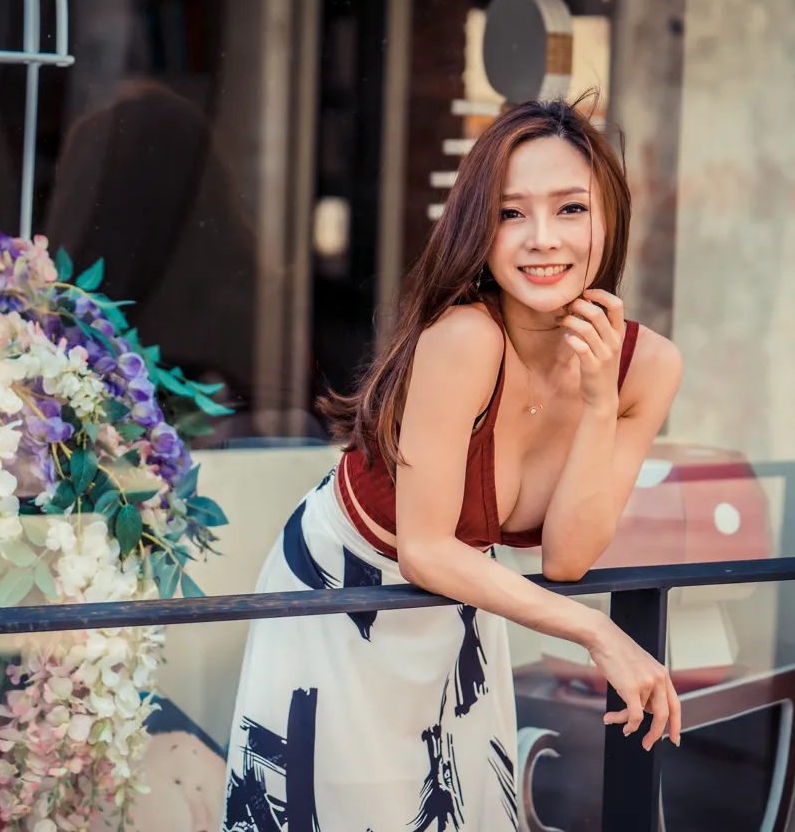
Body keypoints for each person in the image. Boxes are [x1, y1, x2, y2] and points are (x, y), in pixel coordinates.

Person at [220, 96, 684, 832]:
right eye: (510, 214)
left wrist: (599, 402)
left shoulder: (646, 366)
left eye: (570, 209)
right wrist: (599, 633)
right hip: (344, 590)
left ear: (610, 219)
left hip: (462, 601)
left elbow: (566, 557)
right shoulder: (466, 337)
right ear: (480, 229)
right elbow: (427, 546)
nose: (542, 241)